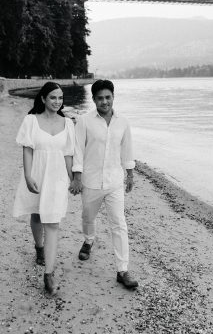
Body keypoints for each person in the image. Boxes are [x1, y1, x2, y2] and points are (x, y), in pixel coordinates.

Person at [70, 79, 138, 289]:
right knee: (87, 217)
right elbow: (78, 150)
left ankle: (122, 270)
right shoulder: (84, 121)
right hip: (90, 181)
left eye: (108, 97)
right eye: (100, 98)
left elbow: (127, 149)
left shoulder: (123, 122)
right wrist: (77, 177)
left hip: (114, 182)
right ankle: (89, 240)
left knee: (119, 224)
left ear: (113, 97)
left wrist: (130, 174)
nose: (104, 102)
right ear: (94, 100)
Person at [13, 82, 75, 295]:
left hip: (58, 177)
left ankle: (48, 273)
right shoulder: (31, 121)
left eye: (60, 98)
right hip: (38, 173)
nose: (57, 102)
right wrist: (28, 175)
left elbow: (68, 154)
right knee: (37, 216)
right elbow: (28, 149)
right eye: (53, 98)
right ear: (43, 99)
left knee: (53, 222)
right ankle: (39, 247)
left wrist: (73, 178)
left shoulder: (67, 124)